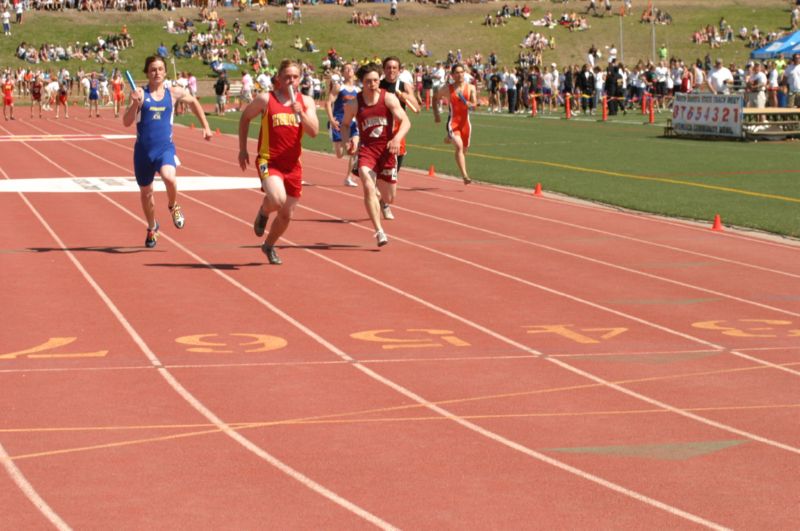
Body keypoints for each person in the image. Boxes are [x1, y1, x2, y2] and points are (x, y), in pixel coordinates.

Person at [123, 55, 213, 248]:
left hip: (164, 148)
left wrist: (205, 126)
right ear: (147, 72)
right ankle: (151, 226)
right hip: (143, 152)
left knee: (169, 177)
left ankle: (173, 205)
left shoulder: (173, 93)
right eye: (153, 69)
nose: (157, 73)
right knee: (146, 193)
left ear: (165, 72)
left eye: (160, 69)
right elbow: (126, 122)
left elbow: (194, 102)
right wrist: (134, 104)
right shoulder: (140, 93)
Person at [238, 59, 319, 265]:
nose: (291, 81)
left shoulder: (306, 102)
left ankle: (269, 245)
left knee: (286, 215)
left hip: (293, 165)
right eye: (286, 77)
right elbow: (245, 117)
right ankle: (264, 211)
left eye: (294, 77)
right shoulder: (266, 99)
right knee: (277, 198)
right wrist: (242, 149)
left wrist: (300, 112)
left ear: (300, 79)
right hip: (269, 161)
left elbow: (314, 132)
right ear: (279, 79)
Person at [340, 63, 410, 248]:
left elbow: (406, 122)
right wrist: (348, 140)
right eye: (368, 81)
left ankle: (381, 199)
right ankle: (379, 231)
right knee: (367, 184)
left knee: (389, 198)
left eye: (375, 80)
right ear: (361, 83)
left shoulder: (389, 99)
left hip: (387, 152)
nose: (372, 84)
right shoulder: (354, 103)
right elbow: (345, 124)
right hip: (368, 151)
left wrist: (396, 139)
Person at [378, 56, 418, 220]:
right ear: (384, 69)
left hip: (398, 131)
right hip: (379, 129)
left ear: (399, 70)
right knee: (378, 166)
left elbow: (417, 106)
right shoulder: (378, 85)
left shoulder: (404, 86)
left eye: (395, 68)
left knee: (395, 170)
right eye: (388, 67)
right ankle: (381, 199)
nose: (391, 70)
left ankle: (382, 200)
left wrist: (406, 98)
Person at [433, 63, 476, 185]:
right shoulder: (447, 89)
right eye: (457, 72)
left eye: (462, 72)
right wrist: (436, 114)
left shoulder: (471, 88)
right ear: (452, 75)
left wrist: (471, 104)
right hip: (453, 123)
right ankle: (465, 176)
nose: (460, 74)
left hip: (466, 124)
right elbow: (435, 98)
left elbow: (475, 104)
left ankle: (448, 138)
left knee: (464, 149)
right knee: (459, 146)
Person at [325, 63, 361, 187]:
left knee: (354, 149)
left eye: (351, 68)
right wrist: (331, 120)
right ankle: (336, 143)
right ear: (343, 73)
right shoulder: (338, 88)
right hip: (338, 122)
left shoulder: (358, 90)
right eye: (346, 69)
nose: (349, 70)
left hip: (352, 123)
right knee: (340, 154)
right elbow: (328, 103)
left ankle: (348, 177)